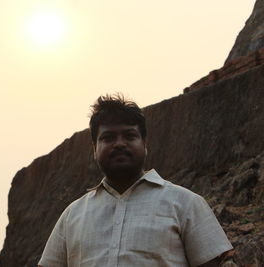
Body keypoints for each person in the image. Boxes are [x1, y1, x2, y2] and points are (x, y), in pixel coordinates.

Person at [38, 94, 233, 267]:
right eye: (108, 138)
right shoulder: (72, 216)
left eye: (130, 136)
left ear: (145, 144)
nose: (120, 144)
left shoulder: (186, 203)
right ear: (94, 149)